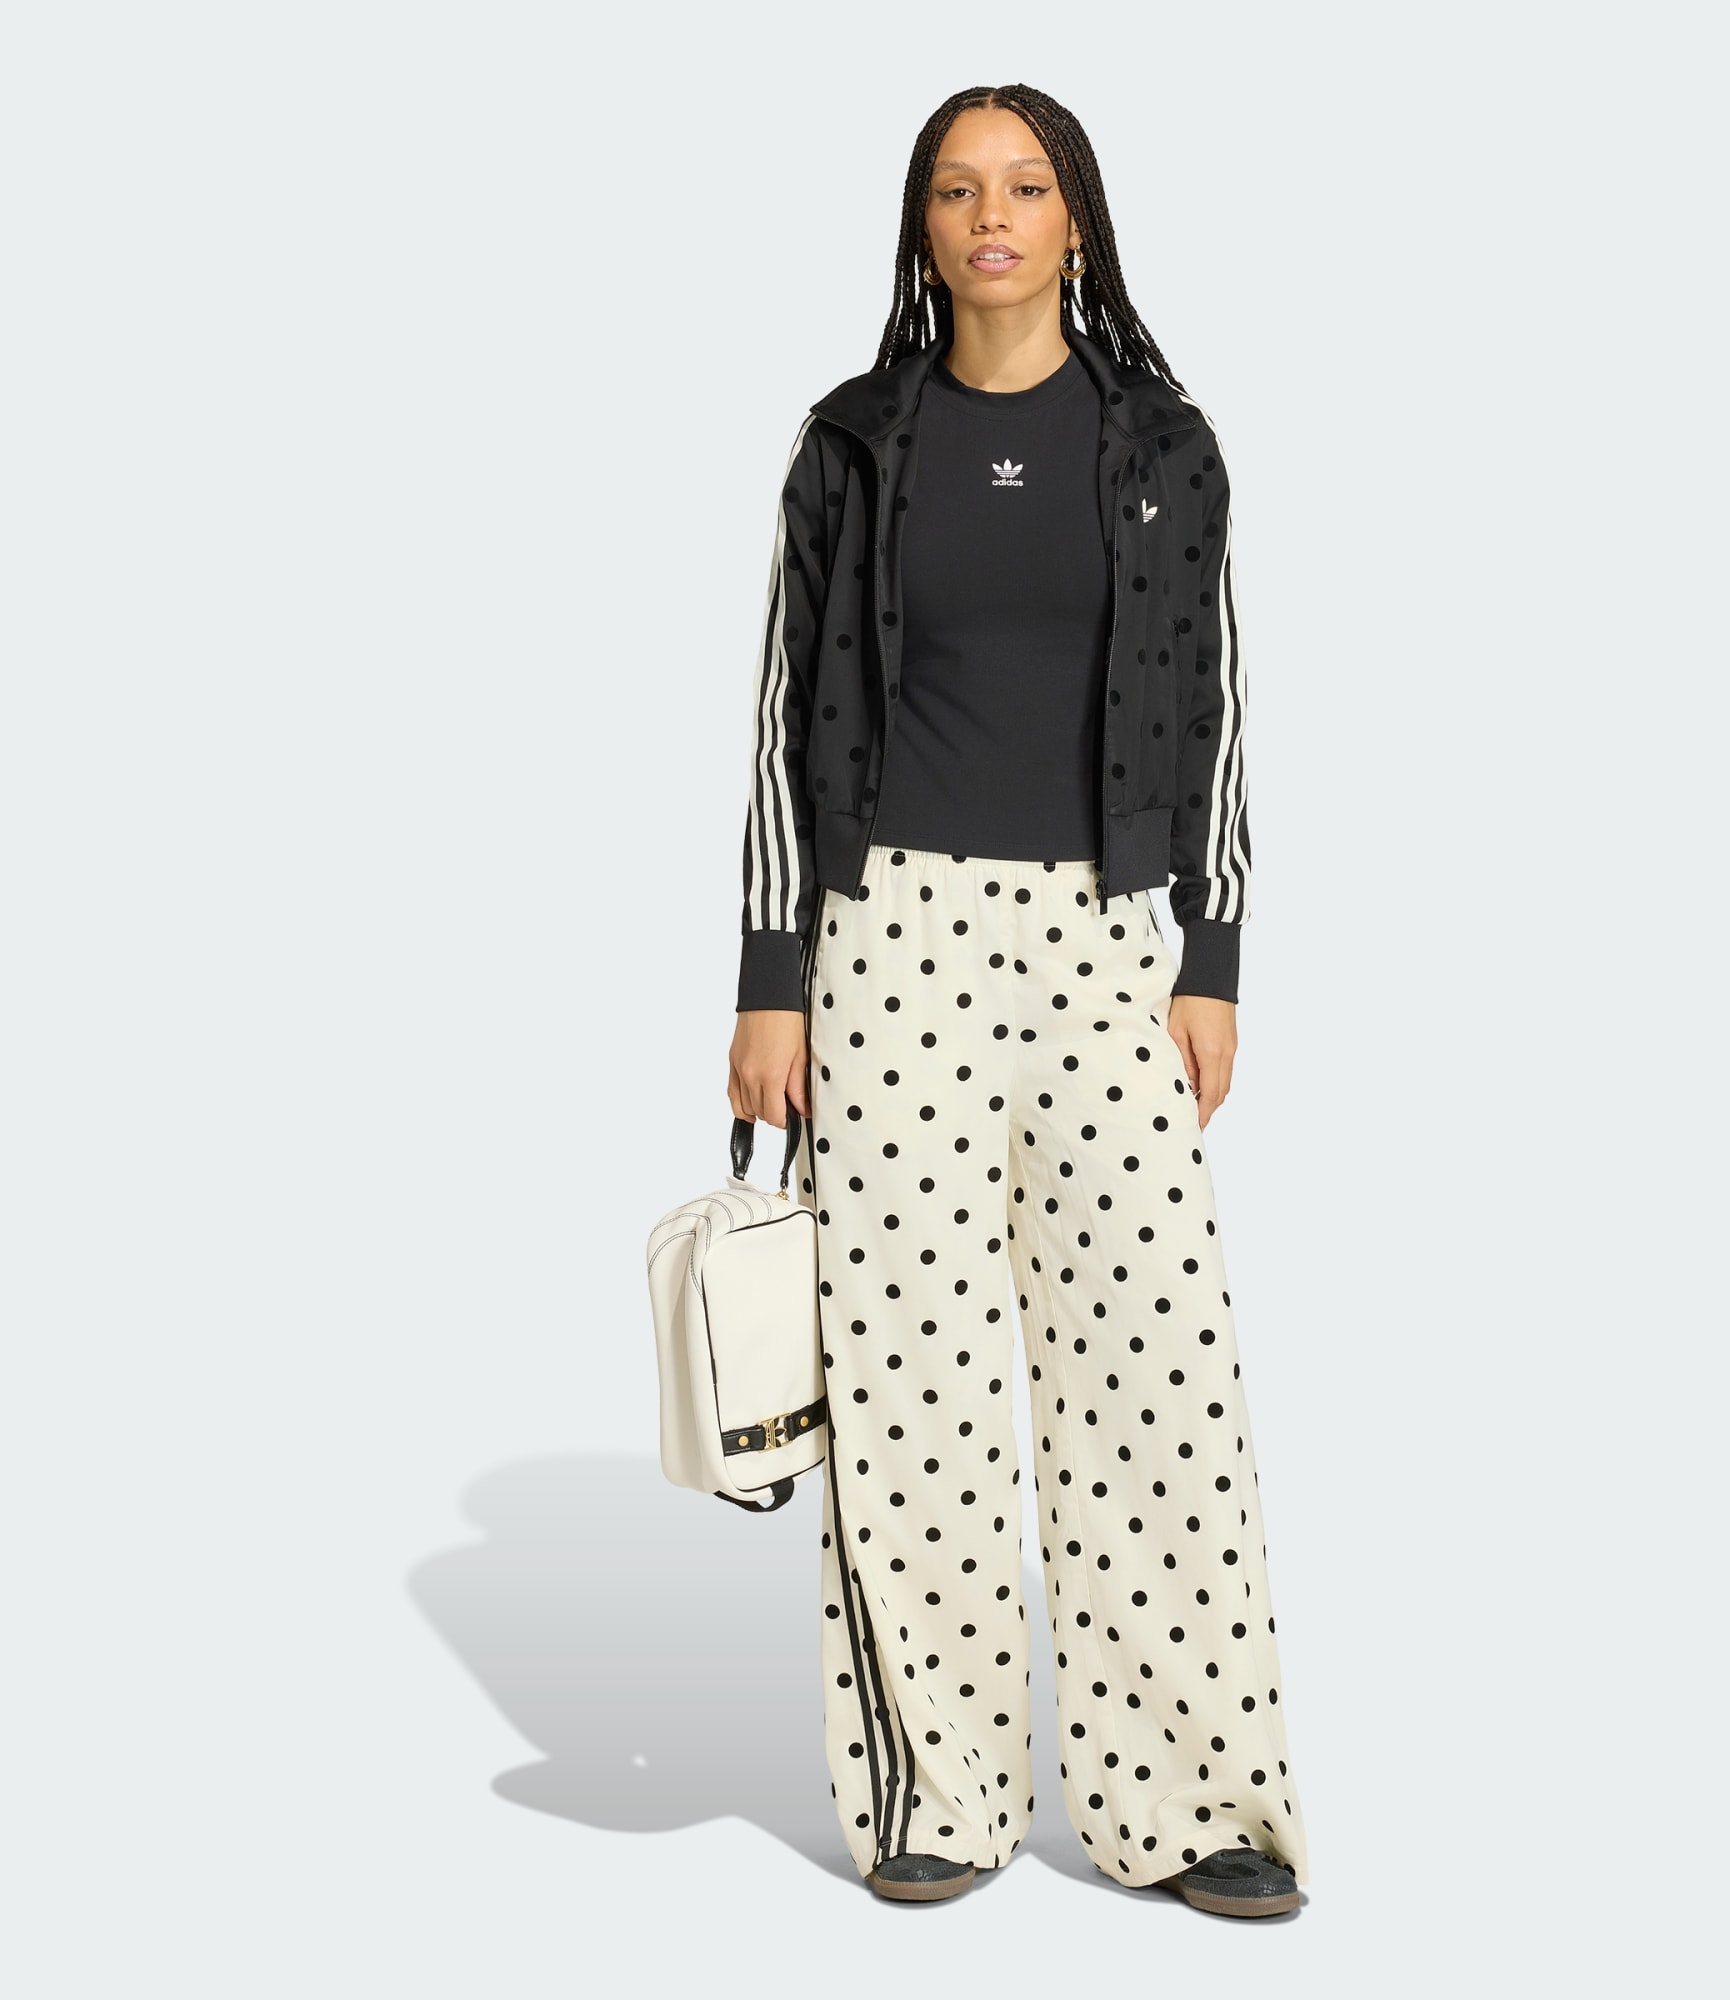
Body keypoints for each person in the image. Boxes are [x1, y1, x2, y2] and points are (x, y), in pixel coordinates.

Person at [724, 83, 1309, 1917]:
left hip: (1105, 940)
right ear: (923, 225)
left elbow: (1215, 709)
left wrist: (1212, 957)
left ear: (1076, 222)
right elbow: (781, 719)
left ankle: (1197, 1802)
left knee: (1155, 1368)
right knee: (909, 1379)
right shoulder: (852, 443)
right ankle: (942, 1791)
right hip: (885, 937)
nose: (993, 215)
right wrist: (771, 980)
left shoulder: (1162, 444)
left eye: (1027, 186)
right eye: (959, 189)